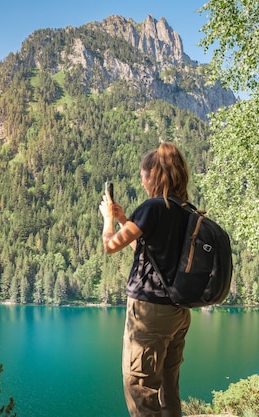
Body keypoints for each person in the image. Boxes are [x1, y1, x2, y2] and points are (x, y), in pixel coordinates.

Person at [99, 142, 192, 417]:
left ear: (154, 174)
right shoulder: (185, 209)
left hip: (149, 315)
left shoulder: (151, 207)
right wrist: (124, 219)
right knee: (168, 391)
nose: (142, 181)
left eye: (143, 175)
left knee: (140, 391)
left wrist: (107, 220)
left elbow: (110, 246)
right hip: (178, 312)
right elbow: (149, 252)